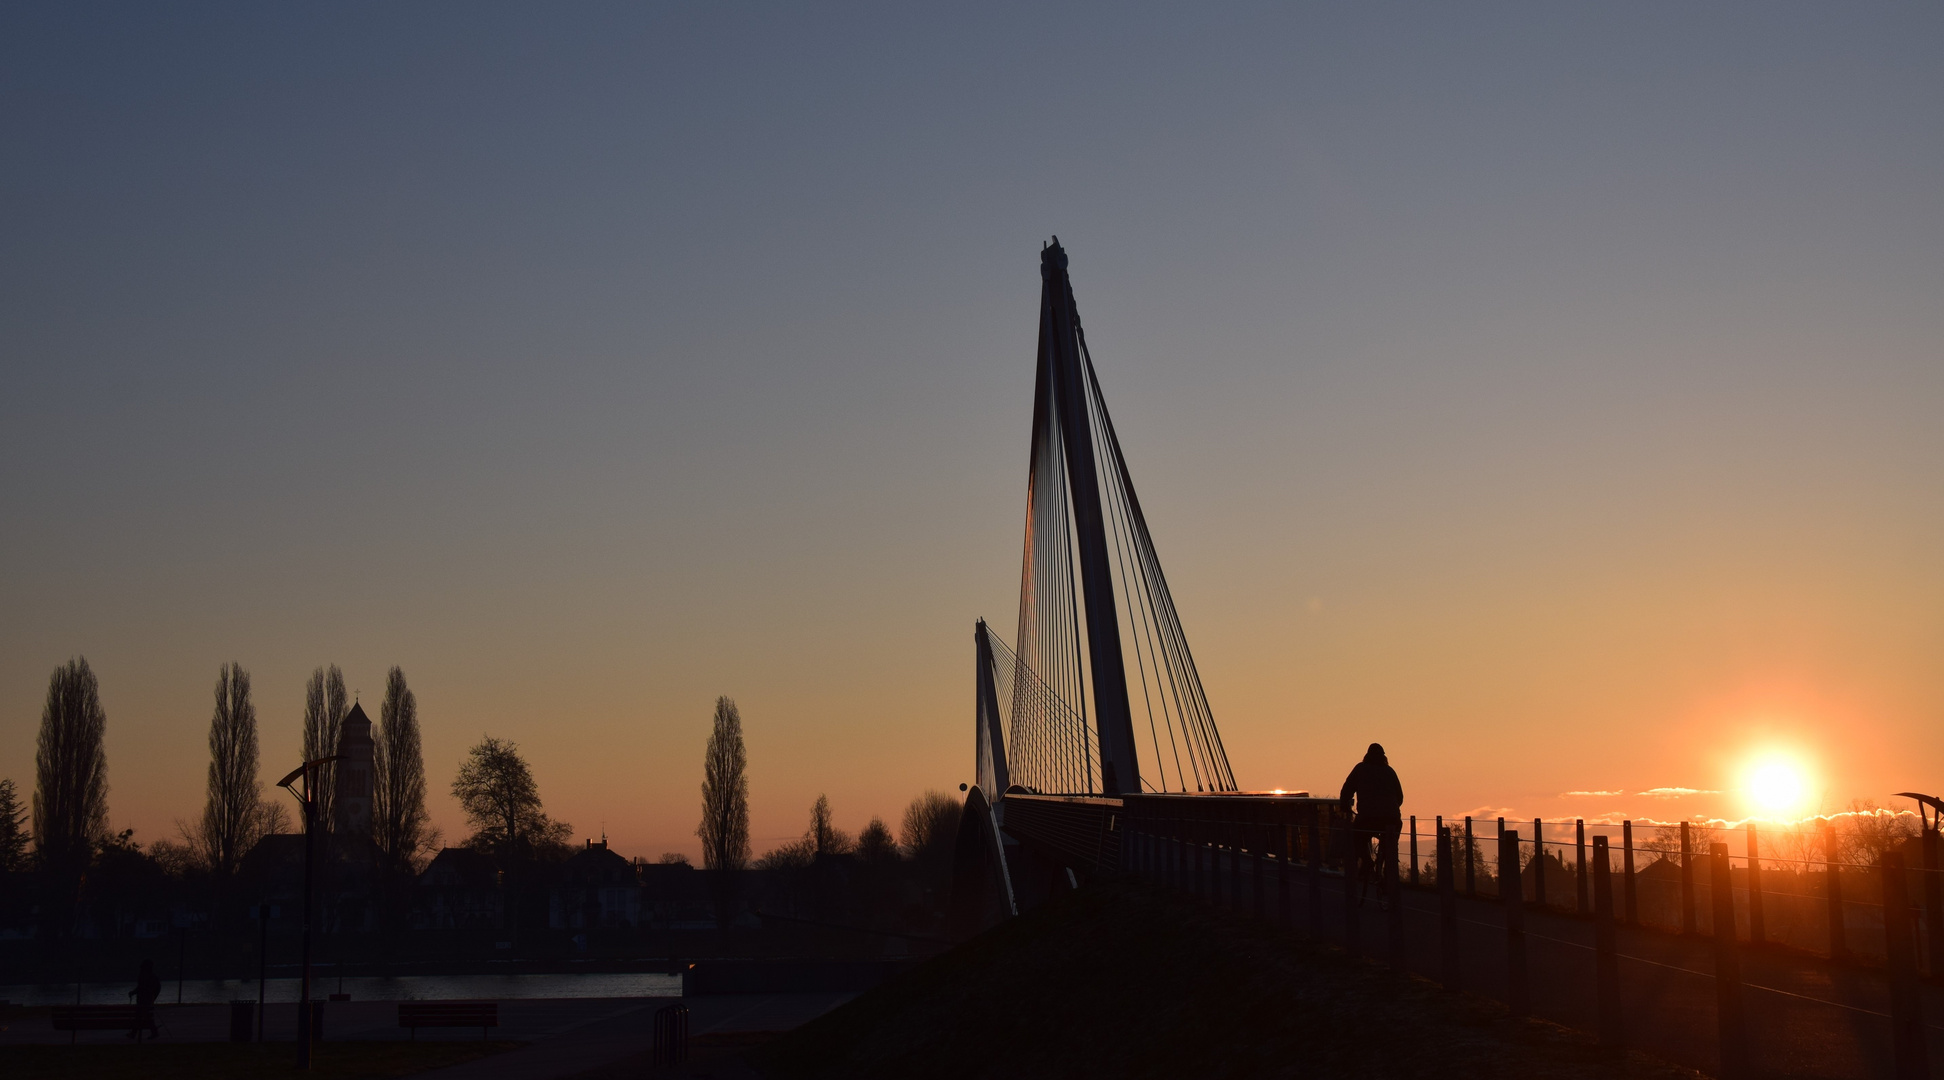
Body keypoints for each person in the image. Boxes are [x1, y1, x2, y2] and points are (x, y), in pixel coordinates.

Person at [1339, 743, 1404, 905]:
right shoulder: (1390, 771)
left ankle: (1367, 861)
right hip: (1391, 819)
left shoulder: (1360, 769)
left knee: (1357, 836)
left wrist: (1345, 807)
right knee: (1390, 844)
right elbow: (1400, 797)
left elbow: (1346, 790)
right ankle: (1389, 867)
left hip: (1368, 818)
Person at [127, 958, 162, 1041]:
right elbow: (158, 988)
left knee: (140, 1017)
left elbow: (140, 988)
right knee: (145, 1017)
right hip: (148, 1000)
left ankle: (134, 1033)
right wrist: (153, 997)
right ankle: (151, 1032)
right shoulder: (153, 976)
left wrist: (133, 992)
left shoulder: (143, 976)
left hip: (142, 1000)